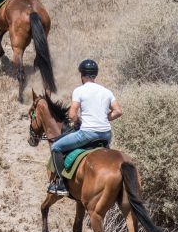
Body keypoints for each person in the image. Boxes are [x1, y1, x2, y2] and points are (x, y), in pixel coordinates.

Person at [48, 59, 123, 196]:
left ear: (82, 75)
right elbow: (118, 111)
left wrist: (77, 122)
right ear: (95, 75)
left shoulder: (79, 90)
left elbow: (72, 114)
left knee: (56, 147)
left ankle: (61, 184)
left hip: (87, 133)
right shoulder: (107, 91)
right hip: (106, 135)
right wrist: (105, 118)